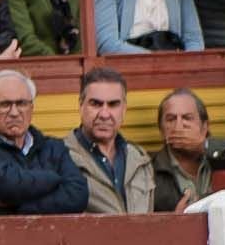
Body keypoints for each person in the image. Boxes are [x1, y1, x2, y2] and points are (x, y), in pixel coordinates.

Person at [0, 68, 91, 213]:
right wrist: (55, 178)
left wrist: (17, 207)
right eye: (5, 104)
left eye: (21, 103)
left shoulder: (53, 147)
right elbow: (10, 184)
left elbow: (78, 196)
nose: (14, 112)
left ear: (32, 107)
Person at [63, 67, 158, 216]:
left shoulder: (140, 160)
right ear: (81, 106)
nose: (104, 114)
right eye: (96, 104)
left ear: (124, 109)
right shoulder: (58, 157)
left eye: (113, 104)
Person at [152, 88, 225, 208]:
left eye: (187, 118)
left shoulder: (222, 157)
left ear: (204, 127)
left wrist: (204, 146)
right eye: (171, 119)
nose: (179, 125)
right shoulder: (149, 171)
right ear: (161, 130)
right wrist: (175, 220)